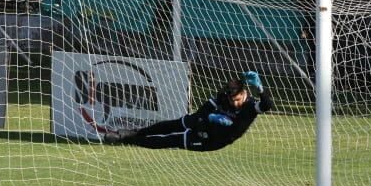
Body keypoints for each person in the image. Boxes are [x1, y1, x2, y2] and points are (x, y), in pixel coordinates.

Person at [115, 71, 273, 151]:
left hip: (216, 139)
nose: (233, 102)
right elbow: (203, 111)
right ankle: (135, 132)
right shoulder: (224, 97)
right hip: (206, 124)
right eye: (230, 99)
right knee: (175, 124)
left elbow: (267, 105)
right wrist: (209, 117)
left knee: (171, 140)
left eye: (236, 99)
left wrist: (260, 88)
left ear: (244, 93)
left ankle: (128, 140)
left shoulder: (250, 107)